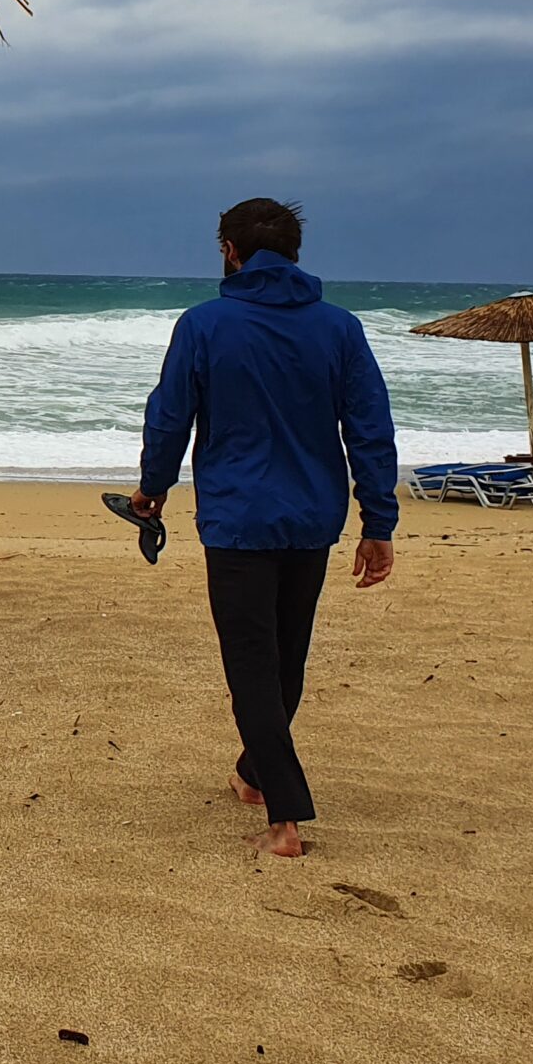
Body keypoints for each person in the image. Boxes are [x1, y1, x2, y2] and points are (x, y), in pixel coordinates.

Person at [129, 197, 398, 858]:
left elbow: (170, 419)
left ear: (228, 250)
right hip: (312, 516)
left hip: (239, 517)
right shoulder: (340, 328)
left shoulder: (204, 325)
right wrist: (378, 520)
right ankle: (253, 774)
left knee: (253, 662)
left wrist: (152, 490)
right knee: (285, 656)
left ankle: (286, 819)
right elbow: (369, 428)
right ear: (296, 254)